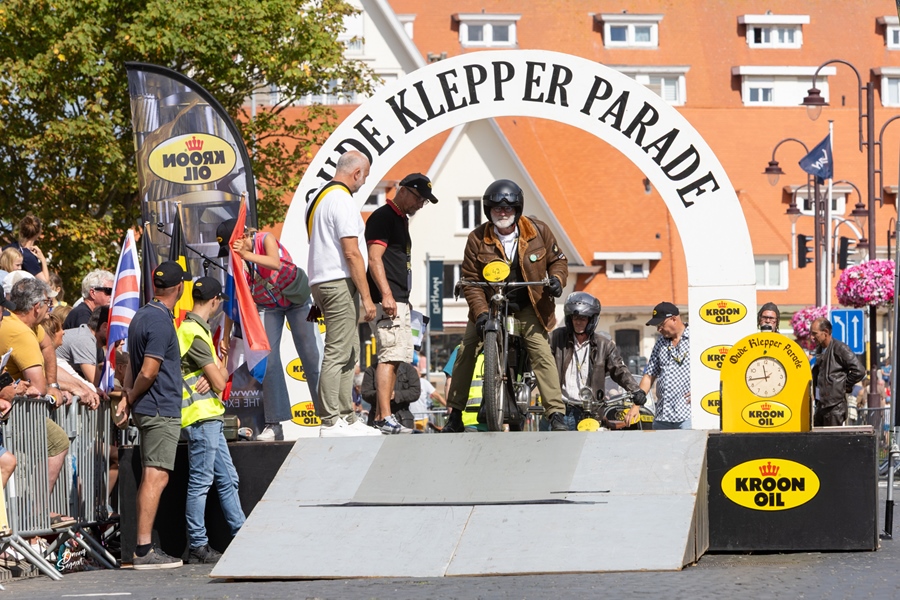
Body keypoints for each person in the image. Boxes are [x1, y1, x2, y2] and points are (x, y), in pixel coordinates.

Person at [443, 179, 569, 432]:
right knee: (466, 349)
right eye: (497, 208)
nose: (502, 213)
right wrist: (480, 314)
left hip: (528, 304)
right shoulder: (477, 238)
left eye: (508, 208)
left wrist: (557, 279)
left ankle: (556, 414)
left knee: (542, 352)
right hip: (489, 305)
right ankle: (454, 414)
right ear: (488, 211)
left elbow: (558, 261)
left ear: (517, 209)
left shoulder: (538, 231)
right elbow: (470, 280)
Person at [217, 213, 323, 442]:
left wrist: (246, 255)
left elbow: (274, 262)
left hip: (297, 301)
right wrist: (225, 337)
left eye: (230, 248)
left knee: (312, 355)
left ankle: (329, 417)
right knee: (269, 361)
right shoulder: (236, 265)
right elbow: (232, 301)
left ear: (241, 237)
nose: (230, 255)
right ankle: (274, 424)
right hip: (268, 306)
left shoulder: (265, 239)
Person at [114, 261, 189, 569]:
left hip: (150, 407)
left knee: (153, 474)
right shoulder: (159, 321)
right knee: (156, 475)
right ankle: (144, 550)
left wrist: (127, 397)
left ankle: (143, 548)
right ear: (179, 288)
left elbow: (133, 365)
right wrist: (130, 396)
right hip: (159, 409)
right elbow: (148, 370)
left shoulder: (142, 315)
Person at [307, 150, 380, 437]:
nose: (364, 182)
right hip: (338, 281)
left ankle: (346, 417)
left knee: (349, 350)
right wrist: (367, 297)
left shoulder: (319, 197)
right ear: (357, 173)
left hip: (323, 280)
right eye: (365, 176)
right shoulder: (342, 199)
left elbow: (319, 244)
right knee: (338, 351)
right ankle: (330, 420)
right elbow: (352, 253)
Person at [177, 277, 245, 564]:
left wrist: (215, 373)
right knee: (201, 483)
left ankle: (241, 535)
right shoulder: (193, 331)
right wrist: (215, 373)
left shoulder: (195, 329)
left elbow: (218, 376)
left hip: (209, 416)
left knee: (228, 479)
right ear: (215, 301)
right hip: (200, 417)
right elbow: (219, 380)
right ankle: (198, 544)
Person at [365, 173, 437, 433]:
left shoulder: (400, 219)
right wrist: (386, 294)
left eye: (424, 201)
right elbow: (374, 258)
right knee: (389, 356)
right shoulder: (383, 216)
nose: (420, 204)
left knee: (396, 357)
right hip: (389, 298)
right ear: (404, 190)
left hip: (399, 299)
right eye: (419, 199)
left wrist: (403, 299)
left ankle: (383, 416)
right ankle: (383, 417)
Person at [0, 278, 75, 527]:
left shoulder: (29, 326)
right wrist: (47, 388)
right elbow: (38, 388)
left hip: (14, 408)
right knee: (58, 441)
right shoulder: (20, 332)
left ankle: (31, 515)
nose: (50, 309)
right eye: (48, 304)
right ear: (36, 307)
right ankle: (35, 513)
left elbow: (48, 347)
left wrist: (54, 384)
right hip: (13, 412)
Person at [550, 292, 645, 431]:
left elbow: (619, 369)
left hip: (590, 413)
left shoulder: (604, 345)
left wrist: (635, 390)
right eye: (575, 318)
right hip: (559, 411)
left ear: (592, 320)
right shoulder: (556, 338)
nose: (578, 322)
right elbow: (540, 362)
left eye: (583, 318)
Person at [640, 301, 692, 430]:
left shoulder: (696, 339)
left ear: (674, 319)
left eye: (661, 325)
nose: (659, 329)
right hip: (662, 416)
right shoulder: (660, 343)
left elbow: (712, 370)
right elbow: (649, 376)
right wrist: (636, 405)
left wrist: (702, 391)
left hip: (688, 415)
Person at [810, 317, 865, 427]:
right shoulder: (819, 349)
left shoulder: (840, 348)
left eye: (815, 334)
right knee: (817, 437)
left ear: (825, 332)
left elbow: (859, 370)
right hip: (821, 405)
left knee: (833, 437)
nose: (812, 337)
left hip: (834, 407)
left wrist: (843, 386)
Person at [57, 305, 108, 387]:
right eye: (117, 329)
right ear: (105, 327)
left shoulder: (92, 340)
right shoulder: (85, 340)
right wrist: (122, 390)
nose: (121, 336)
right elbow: (98, 383)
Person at [361, 361, 420, 431]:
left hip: (403, 417)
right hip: (377, 417)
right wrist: (382, 395)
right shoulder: (371, 370)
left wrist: (395, 395)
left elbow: (415, 392)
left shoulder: (409, 369)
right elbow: (365, 393)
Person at [3, 213, 49, 282]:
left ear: (21, 230)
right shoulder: (28, 257)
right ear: (39, 232)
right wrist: (43, 259)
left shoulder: (9, 247)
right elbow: (45, 281)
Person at [410, 354, 445, 431]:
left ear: (419, 374)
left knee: (422, 436)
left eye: (417, 373)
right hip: (410, 418)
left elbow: (437, 395)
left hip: (423, 418)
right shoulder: (405, 383)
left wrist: (448, 406)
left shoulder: (424, 382)